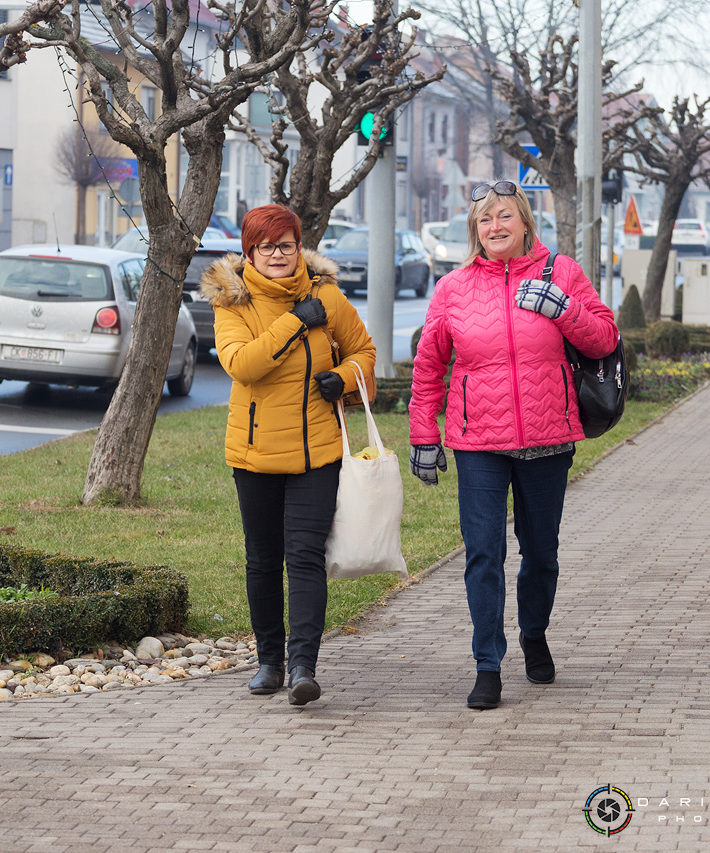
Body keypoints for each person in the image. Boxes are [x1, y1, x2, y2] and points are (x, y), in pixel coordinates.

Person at [407, 181, 618, 711]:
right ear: (475, 232)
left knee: (540, 553)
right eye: (484, 220)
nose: (495, 226)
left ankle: (534, 633)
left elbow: (604, 340)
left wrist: (562, 308)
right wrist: (423, 435)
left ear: (525, 221)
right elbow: (430, 367)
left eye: (504, 216)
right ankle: (487, 664)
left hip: (548, 438)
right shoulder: (453, 288)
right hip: (478, 440)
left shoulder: (561, 272)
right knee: (483, 554)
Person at [200, 204, 376, 707]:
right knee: (262, 559)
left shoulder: (326, 295)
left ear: (300, 246)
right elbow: (242, 365)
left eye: (287, 244)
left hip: (315, 452)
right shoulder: (232, 300)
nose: (278, 255)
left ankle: (303, 666)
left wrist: (341, 378)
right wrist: (297, 323)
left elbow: (364, 352)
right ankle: (269, 662)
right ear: (250, 252)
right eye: (266, 247)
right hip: (254, 454)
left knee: (304, 557)